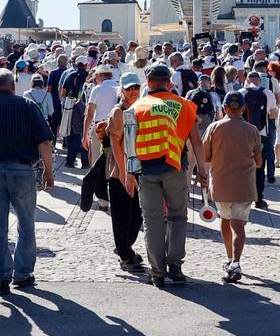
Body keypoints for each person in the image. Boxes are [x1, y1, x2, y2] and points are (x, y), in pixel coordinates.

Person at [0, 68, 55, 295]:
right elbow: (44, 142)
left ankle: (2, 275)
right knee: (26, 223)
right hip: (23, 171)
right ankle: (23, 274)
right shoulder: (27, 106)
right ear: (13, 86)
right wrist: (48, 171)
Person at [131, 64, 207, 288]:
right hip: (174, 167)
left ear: (148, 82)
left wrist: (130, 173)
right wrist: (202, 172)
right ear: (169, 82)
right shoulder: (184, 105)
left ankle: (157, 272)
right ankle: (175, 264)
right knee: (177, 216)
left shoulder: (137, 106)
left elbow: (128, 143)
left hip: (145, 170)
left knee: (153, 221)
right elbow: (196, 142)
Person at [204, 92, 263, 284]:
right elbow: (259, 162)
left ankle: (230, 258)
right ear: (244, 108)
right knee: (239, 225)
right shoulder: (252, 129)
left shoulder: (214, 128)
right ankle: (236, 262)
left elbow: (206, 156)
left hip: (221, 184)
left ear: (225, 107)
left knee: (225, 220)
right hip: (244, 185)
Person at [104, 72, 146, 272]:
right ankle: (126, 255)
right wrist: (124, 172)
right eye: (129, 89)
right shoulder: (118, 112)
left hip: (136, 169)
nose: (133, 92)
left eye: (136, 88)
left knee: (137, 216)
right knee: (123, 217)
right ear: (121, 90)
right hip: (119, 170)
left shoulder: (138, 109)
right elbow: (115, 143)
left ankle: (123, 248)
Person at [238, 71, 277, 208]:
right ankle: (259, 199)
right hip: (261, 134)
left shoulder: (241, 92)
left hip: (243, 134)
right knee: (260, 166)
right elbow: (273, 114)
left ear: (248, 80)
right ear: (260, 80)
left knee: (243, 166)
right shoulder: (267, 93)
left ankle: (243, 197)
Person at [82, 64, 119, 157]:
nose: (95, 79)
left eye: (96, 77)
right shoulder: (119, 87)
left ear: (100, 75)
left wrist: (85, 136)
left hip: (100, 127)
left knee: (97, 159)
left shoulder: (97, 89)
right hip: (116, 127)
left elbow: (89, 114)